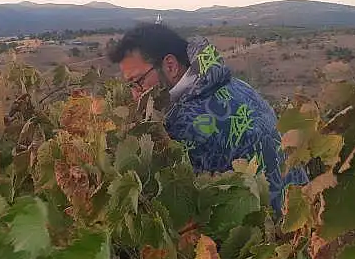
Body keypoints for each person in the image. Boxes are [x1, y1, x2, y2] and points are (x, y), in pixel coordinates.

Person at [107, 23, 308, 214]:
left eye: (138, 82)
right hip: (305, 210)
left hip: (273, 229)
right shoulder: (235, 85)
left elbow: (183, 209)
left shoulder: (184, 125)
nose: (135, 95)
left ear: (170, 65)